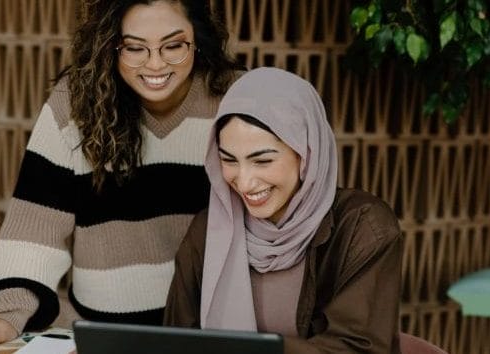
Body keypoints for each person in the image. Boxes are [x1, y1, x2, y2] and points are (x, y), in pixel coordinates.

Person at [0, 0, 242, 349]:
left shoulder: (234, 96)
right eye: (134, 48)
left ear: (198, 40)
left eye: (173, 46)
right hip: (102, 331)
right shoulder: (74, 102)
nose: (155, 64)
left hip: (211, 329)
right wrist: (11, 312)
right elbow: (36, 223)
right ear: (110, 44)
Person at [163, 67, 403, 353]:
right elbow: (176, 341)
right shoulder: (209, 230)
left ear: (306, 154)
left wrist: (247, 350)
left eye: (262, 161)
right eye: (229, 160)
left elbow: (358, 348)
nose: (245, 181)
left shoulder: (363, 227)